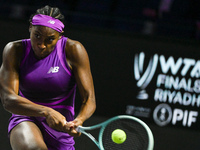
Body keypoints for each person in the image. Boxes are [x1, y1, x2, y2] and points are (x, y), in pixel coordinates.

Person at [0, 5, 96, 150]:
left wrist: (78, 121)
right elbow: (8, 100)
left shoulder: (74, 50)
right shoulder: (15, 50)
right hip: (26, 119)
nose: (41, 45)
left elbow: (89, 99)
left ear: (60, 36)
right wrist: (47, 112)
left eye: (50, 39)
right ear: (30, 28)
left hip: (61, 129)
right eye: (37, 35)